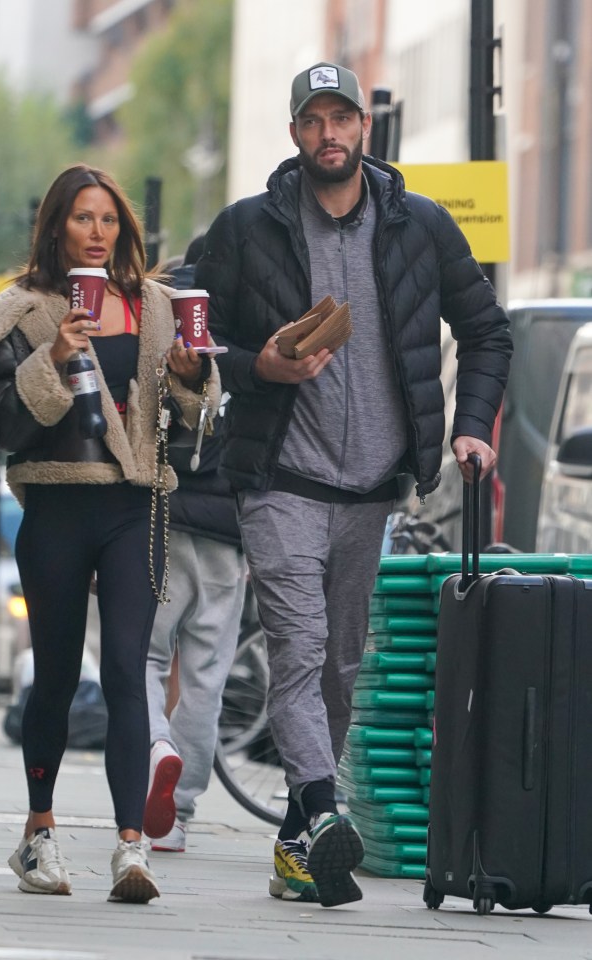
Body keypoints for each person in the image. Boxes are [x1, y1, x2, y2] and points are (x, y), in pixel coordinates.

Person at [195, 61, 512, 908]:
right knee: (297, 650)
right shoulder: (247, 228)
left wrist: (472, 427)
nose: (327, 134)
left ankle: (300, 842)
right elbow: (188, 333)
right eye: (312, 121)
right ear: (294, 133)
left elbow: (486, 331)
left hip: (372, 489)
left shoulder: (421, 227)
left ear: (362, 128)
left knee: (339, 665)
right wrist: (252, 364)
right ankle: (324, 807)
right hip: (280, 477)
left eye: (341, 119)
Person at [0, 163, 220, 904]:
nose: (97, 232)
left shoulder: (155, 306)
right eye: (83, 218)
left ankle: (130, 846)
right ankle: (40, 832)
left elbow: (192, 418)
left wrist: (190, 376)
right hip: (55, 502)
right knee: (55, 675)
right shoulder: (19, 311)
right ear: (56, 225)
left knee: (126, 668)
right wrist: (52, 358)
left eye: (109, 219)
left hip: (133, 507)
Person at [143, 240, 247, 853]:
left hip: (162, 514)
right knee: (207, 673)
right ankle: (177, 817)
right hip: (228, 530)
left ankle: (156, 747)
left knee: (147, 659)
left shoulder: (157, 312)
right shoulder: (254, 320)